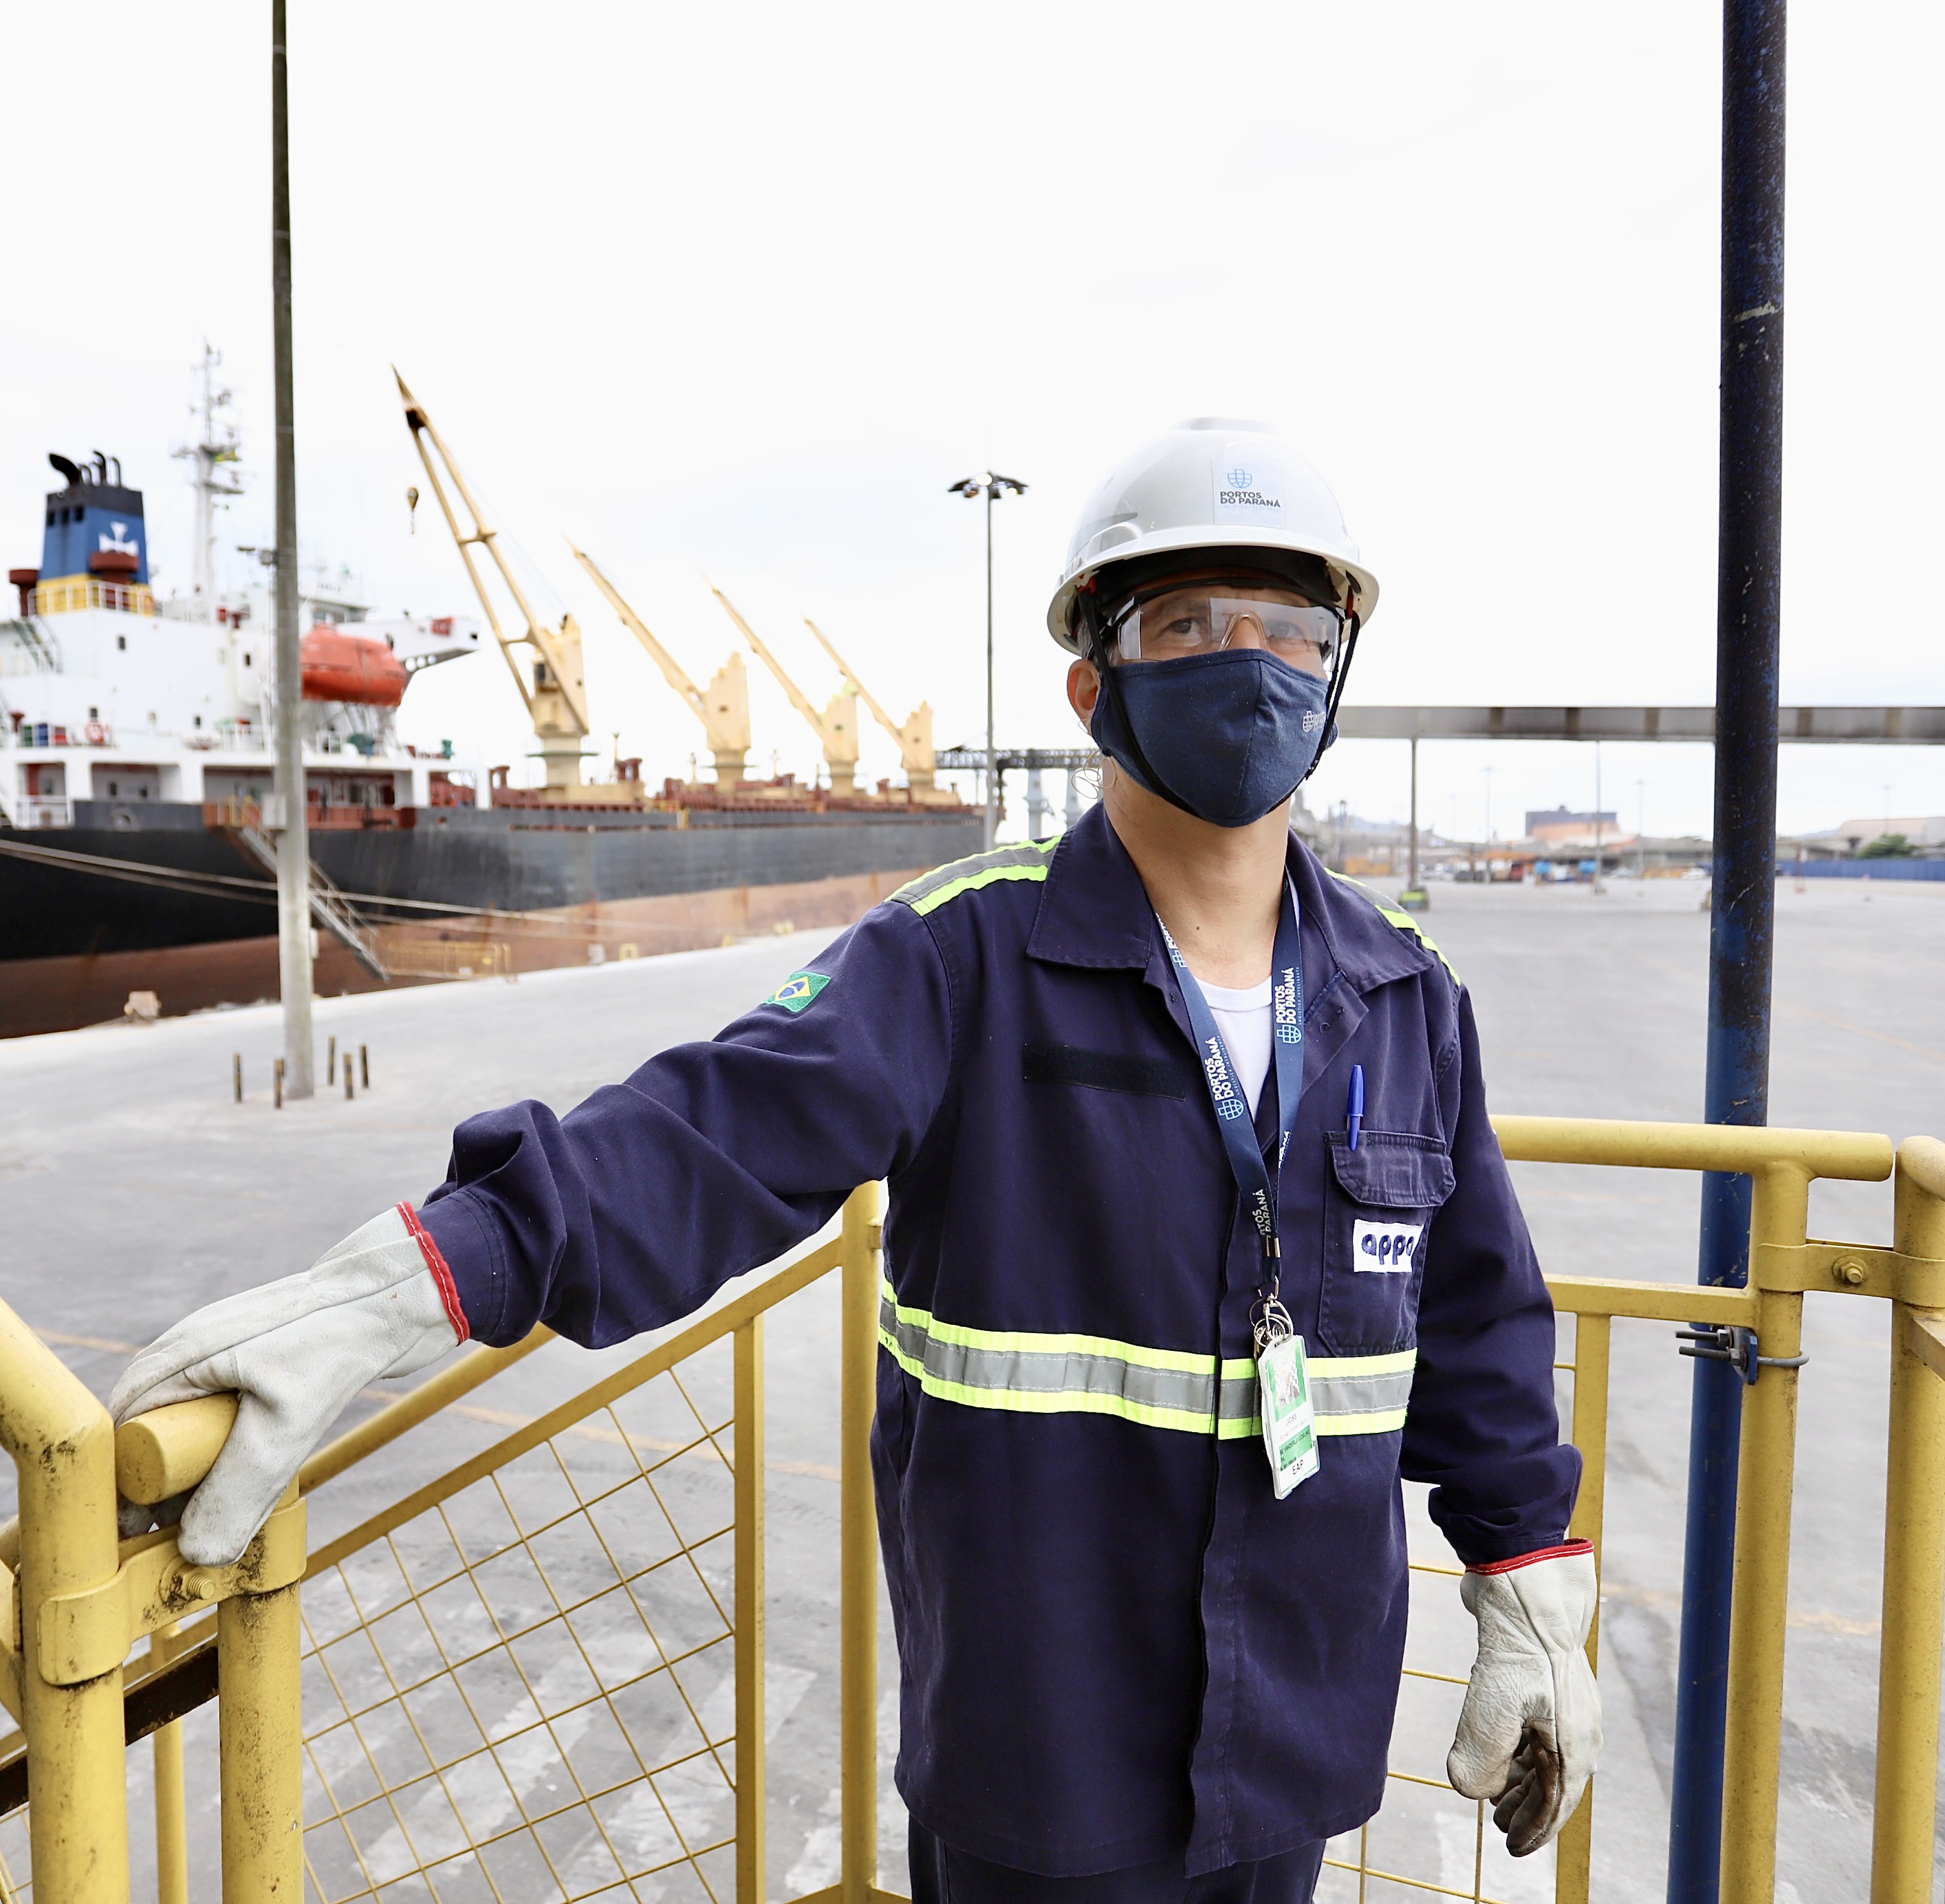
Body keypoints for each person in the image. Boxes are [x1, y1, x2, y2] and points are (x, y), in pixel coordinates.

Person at [112, 419, 1601, 1904]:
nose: (1248, 662)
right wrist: (427, 1275)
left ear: (1336, 671)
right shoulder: (964, 956)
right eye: (1188, 622)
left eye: (1289, 626)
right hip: (1045, 1748)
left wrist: (1529, 1585)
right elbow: (720, 1128)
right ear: (1093, 682)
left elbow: (1476, 1319)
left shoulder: (1406, 1001)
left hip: (1293, 1734)